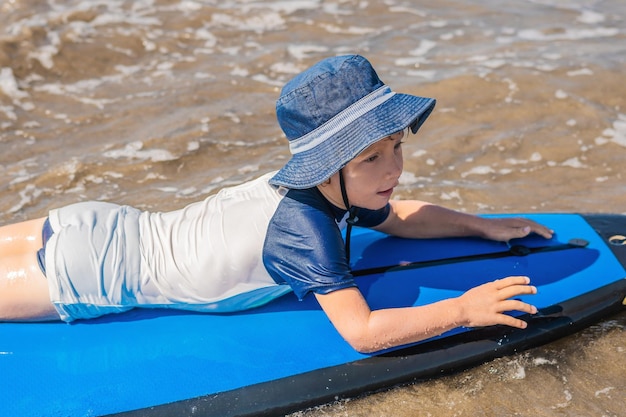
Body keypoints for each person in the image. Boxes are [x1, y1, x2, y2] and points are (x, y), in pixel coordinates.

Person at [0, 55, 553, 353]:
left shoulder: (323, 186)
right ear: (331, 167)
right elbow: (363, 333)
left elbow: (402, 217)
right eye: (372, 159)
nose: (394, 170)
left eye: (397, 147)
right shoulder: (306, 231)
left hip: (97, 220)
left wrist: (480, 226)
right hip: (90, 273)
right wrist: (461, 309)